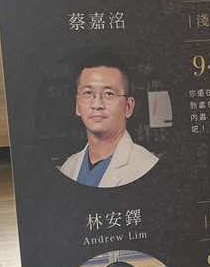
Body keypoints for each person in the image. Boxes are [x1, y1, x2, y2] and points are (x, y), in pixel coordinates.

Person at [59, 54, 158, 188]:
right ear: (77, 106)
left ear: (128, 107)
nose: (97, 105)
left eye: (109, 94)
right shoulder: (68, 167)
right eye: (88, 93)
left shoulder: (147, 166)